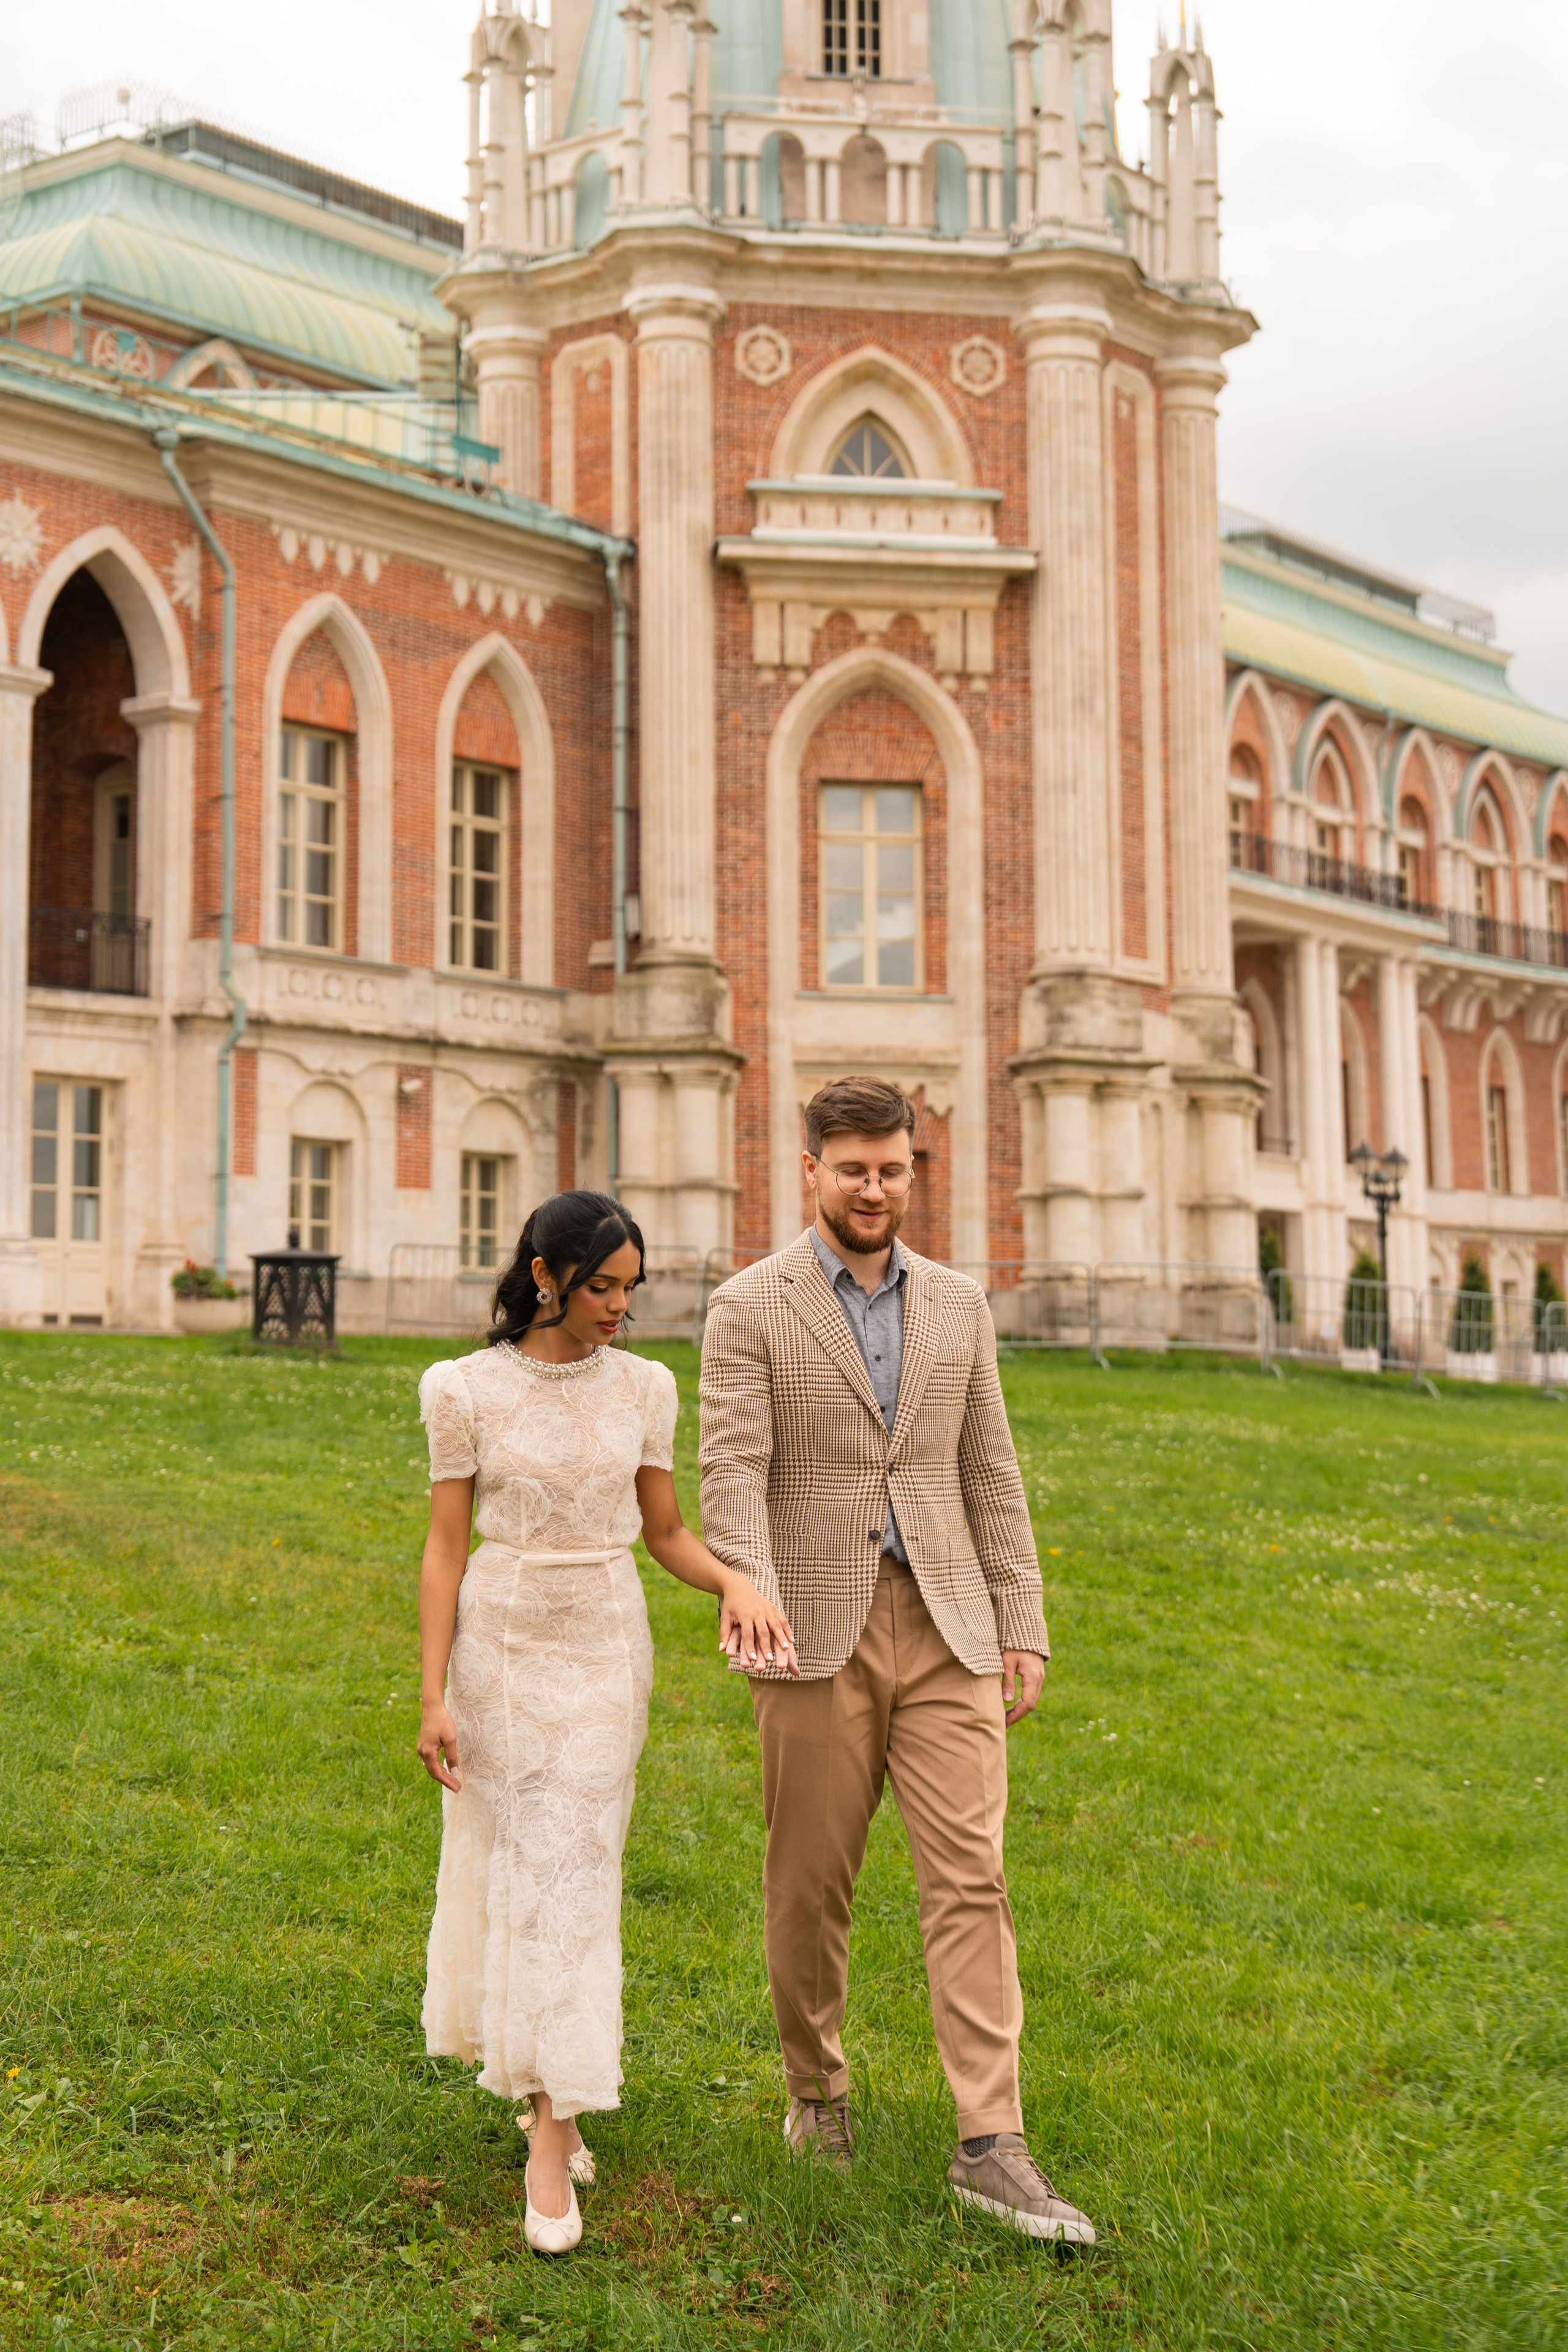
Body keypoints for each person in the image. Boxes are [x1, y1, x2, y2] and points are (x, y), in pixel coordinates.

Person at [698, 1077, 1095, 2244]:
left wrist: (1022, 1617)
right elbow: (729, 1464)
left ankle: (992, 2142)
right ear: (810, 1170)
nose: (877, 1189)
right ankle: (817, 2097)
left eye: (894, 1169)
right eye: (854, 1169)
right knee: (812, 1883)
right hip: (810, 1629)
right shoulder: (749, 1306)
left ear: (914, 1170)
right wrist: (747, 1584)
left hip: (949, 1621)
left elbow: (990, 1473)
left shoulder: (962, 1306)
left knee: (971, 1875)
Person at [415, 1189, 797, 2256]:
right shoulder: (463, 1392)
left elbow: (665, 1530)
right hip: (499, 1644)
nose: (622, 1306)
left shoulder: (648, 1386)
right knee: (521, 1860)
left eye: (633, 1286)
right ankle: (550, 2109)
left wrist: (734, 1583)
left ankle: (554, 2122)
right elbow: (446, 1549)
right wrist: (433, 1693)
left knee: (577, 1863)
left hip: (603, 1647)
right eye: (603, 1287)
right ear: (548, 1277)